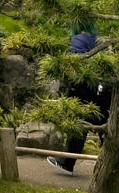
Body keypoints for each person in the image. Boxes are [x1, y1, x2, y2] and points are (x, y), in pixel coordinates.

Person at [47, 26, 110, 176]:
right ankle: (110, 164)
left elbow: (76, 64)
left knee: (80, 123)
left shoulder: (79, 39)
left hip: (86, 87)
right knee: (104, 125)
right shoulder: (101, 37)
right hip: (103, 88)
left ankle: (68, 162)